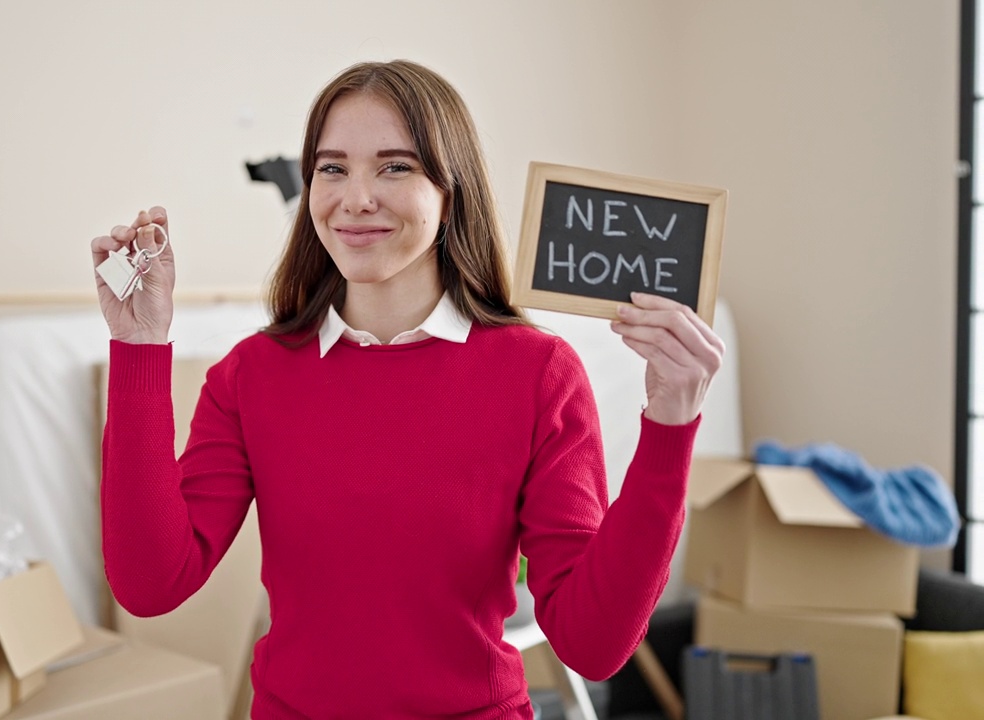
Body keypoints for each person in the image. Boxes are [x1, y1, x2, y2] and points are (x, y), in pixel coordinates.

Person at [91, 59, 723, 719]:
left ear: (451, 191)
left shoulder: (538, 373)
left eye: (395, 167)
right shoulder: (252, 374)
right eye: (332, 168)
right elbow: (150, 582)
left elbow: (593, 647)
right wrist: (139, 349)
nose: (356, 198)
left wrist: (671, 426)